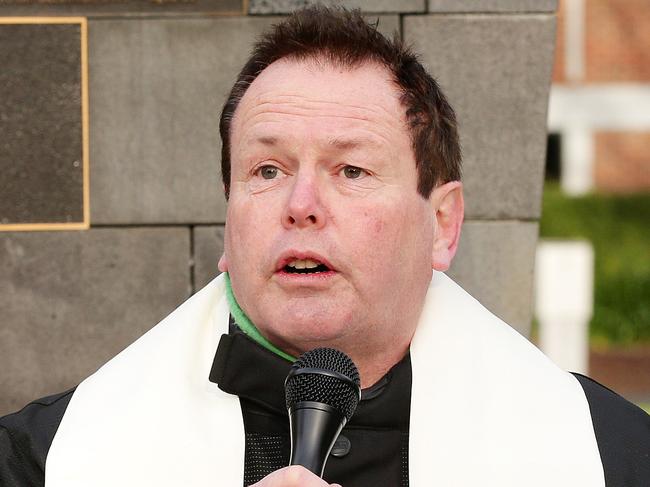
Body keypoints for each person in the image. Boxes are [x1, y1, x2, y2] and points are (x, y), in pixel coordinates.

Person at [1, 6, 648, 487]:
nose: (300, 203)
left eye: (351, 171)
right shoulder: (47, 459)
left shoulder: (611, 455)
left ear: (443, 225)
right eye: (267, 170)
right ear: (229, 227)